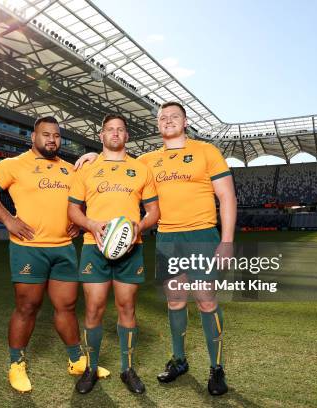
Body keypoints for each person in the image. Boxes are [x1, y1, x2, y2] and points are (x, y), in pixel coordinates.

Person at [75, 102, 237, 396]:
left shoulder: (206, 151)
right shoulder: (147, 161)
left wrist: (226, 241)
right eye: (163, 118)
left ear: (186, 121)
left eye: (175, 116)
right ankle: (179, 360)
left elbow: (227, 197)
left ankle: (216, 368)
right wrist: (92, 156)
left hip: (201, 235)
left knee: (205, 300)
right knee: (175, 301)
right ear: (157, 124)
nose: (168, 120)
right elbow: (118, 162)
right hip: (166, 237)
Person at [0, 116, 109, 393]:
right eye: (46, 134)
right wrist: (8, 220)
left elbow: (95, 178)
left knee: (68, 307)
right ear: (33, 137)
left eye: (57, 136)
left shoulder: (70, 170)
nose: (52, 140)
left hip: (63, 249)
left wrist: (93, 155)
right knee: (27, 307)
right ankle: (16, 364)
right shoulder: (14, 164)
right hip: (29, 249)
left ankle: (76, 360)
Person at [67, 114, 160, 394]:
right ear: (101, 135)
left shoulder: (141, 169)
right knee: (94, 308)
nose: (115, 133)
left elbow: (154, 211)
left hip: (132, 248)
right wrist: (92, 225)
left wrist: (139, 227)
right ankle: (91, 369)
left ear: (127, 136)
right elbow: (73, 210)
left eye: (120, 129)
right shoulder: (86, 169)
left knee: (126, 308)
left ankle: (127, 369)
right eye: (110, 129)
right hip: (94, 247)